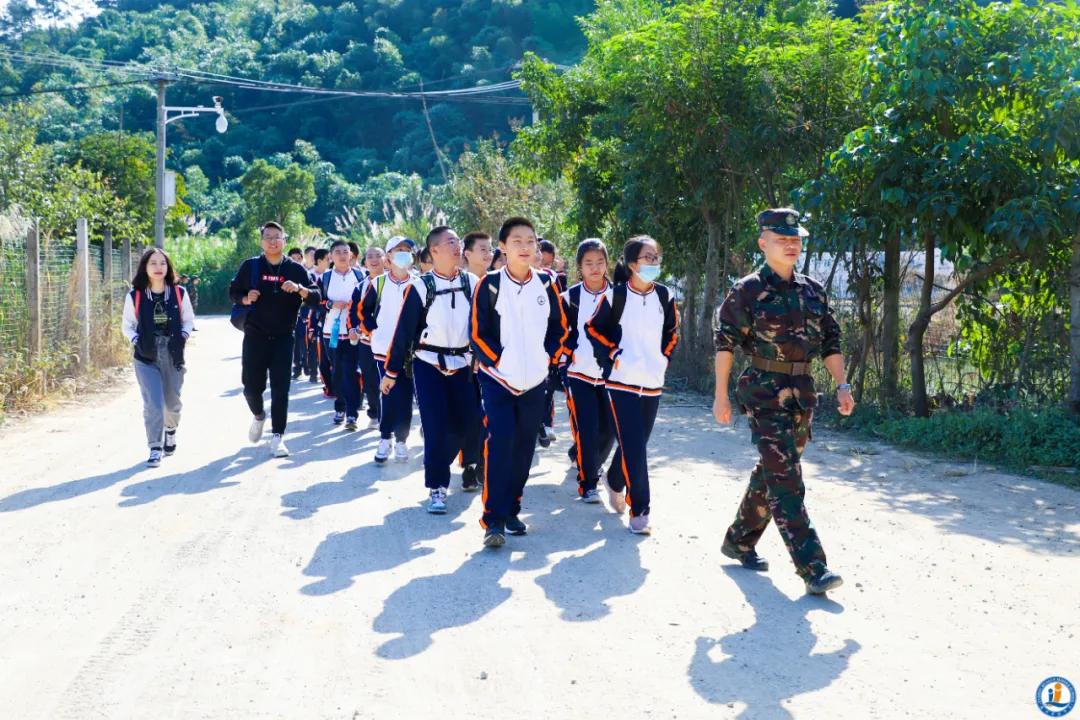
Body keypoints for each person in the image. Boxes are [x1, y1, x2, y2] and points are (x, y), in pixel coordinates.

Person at [713, 208, 855, 596]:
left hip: (802, 392)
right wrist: (720, 395)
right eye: (781, 239)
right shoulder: (747, 290)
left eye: (795, 239)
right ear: (763, 243)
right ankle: (813, 568)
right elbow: (725, 343)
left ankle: (740, 539)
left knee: (774, 471)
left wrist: (842, 385)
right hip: (761, 390)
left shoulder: (813, 290)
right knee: (787, 480)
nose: (791, 245)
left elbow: (831, 341)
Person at [470, 217, 569, 548]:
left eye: (531, 241)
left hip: (535, 382)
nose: (525, 247)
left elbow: (560, 329)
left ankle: (512, 509)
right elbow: (477, 334)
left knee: (525, 446)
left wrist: (548, 359)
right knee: (501, 443)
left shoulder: (546, 283)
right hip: (498, 381)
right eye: (517, 241)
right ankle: (493, 520)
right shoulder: (490, 284)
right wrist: (499, 361)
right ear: (503, 247)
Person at [380, 226, 483, 513]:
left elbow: (483, 325)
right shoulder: (420, 286)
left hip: (463, 364)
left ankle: (451, 463)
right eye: (450, 242)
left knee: (468, 424)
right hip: (428, 365)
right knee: (436, 426)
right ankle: (437, 487)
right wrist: (390, 373)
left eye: (458, 241)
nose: (457, 246)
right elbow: (402, 333)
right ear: (434, 250)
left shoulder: (472, 282)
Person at [585, 235, 679, 535]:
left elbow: (672, 333)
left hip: (652, 382)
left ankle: (614, 479)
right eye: (647, 258)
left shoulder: (665, 296)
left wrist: (663, 358)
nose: (654, 263)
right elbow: (592, 328)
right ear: (630, 263)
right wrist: (614, 354)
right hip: (621, 381)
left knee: (636, 443)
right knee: (635, 445)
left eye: (656, 258)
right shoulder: (616, 296)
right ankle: (640, 510)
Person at [228, 221, 321, 458]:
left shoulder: (295, 269)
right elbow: (233, 292)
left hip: (283, 337)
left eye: (276, 237)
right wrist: (246, 298)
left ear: (284, 240)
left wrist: (300, 289)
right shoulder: (251, 266)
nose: (272, 241)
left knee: (281, 389)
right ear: (262, 241)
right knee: (251, 388)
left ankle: (278, 436)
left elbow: (317, 297)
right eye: (268, 237)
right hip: (255, 336)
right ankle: (259, 415)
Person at [121, 247, 194, 467]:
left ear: (168, 267)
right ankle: (155, 447)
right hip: (145, 355)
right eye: (153, 263)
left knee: (172, 404)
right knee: (153, 403)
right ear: (145, 267)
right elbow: (127, 326)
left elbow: (188, 320)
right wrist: (137, 342)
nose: (158, 267)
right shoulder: (135, 296)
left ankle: (170, 430)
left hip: (172, 352)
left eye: (162, 263)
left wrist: (182, 336)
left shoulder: (179, 293)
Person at [561, 239, 617, 504]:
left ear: (607, 264)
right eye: (588, 263)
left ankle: (589, 461)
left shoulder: (619, 296)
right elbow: (559, 334)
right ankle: (588, 483)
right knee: (587, 428)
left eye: (600, 262)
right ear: (579, 267)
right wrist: (563, 361)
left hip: (611, 375)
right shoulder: (569, 298)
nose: (595, 268)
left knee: (610, 429)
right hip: (578, 373)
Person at [356, 236, 419, 464]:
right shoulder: (378, 283)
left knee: (405, 397)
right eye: (398, 250)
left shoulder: (419, 283)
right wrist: (374, 332)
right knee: (388, 394)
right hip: (384, 350)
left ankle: (401, 440)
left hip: (411, 353)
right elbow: (363, 312)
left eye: (407, 250)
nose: (403, 253)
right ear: (389, 256)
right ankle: (385, 437)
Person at [320, 240, 365, 430]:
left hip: (353, 333)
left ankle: (352, 414)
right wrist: (331, 304)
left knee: (351, 371)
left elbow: (366, 301)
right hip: (331, 332)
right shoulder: (326, 277)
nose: (342, 255)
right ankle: (340, 406)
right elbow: (317, 301)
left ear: (351, 255)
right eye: (337, 252)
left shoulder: (360, 275)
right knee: (337, 371)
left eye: (345, 251)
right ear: (331, 256)